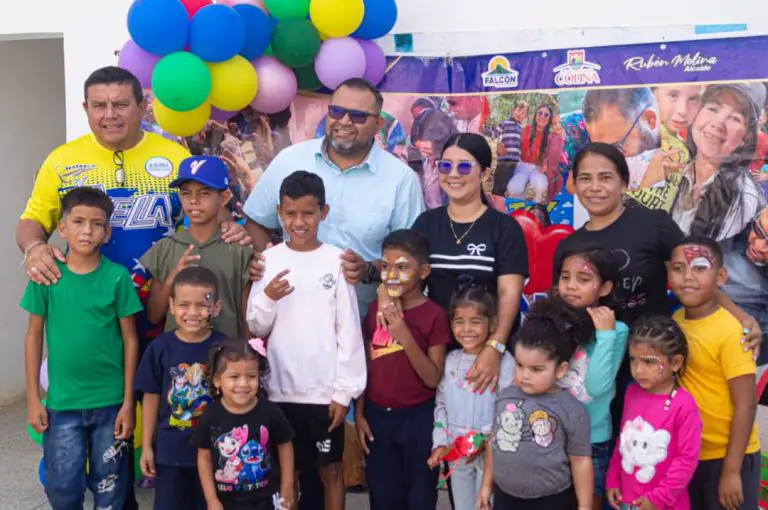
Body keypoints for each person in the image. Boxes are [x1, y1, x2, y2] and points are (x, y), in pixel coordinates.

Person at [243, 77, 425, 317]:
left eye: (358, 116)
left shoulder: (401, 179)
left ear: (378, 123)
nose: (344, 121)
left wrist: (369, 270)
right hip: (290, 316)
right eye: (336, 111)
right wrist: (268, 259)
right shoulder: (290, 160)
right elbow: (257, 220)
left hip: (364, 323)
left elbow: (410, 254)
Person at [246, 171, 367, 510]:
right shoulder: (269, 260)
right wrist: (268, 296)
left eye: (308, 213)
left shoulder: (337, 260)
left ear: (323, 213)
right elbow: (255, 326)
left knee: (330, 471)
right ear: (279, 213)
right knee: (289, 473)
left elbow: (349, 332)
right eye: (291, 214)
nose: (299, 222)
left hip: (324, 393)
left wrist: (344, 392)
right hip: (279, 390)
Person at [23, 187, 143, 509]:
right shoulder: (46, 278)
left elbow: (131, 339)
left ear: (107, 232)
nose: (87, 230)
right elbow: (33, 336)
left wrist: (128, 402)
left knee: (111, 491)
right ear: (62, 229)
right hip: (62, 405)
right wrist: (34, 398)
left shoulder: (118, 278)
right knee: (62, 488)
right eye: (78, 221)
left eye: (96, 224)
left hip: (111, 404)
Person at [404, 133, 528, 394]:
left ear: (483, 173)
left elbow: (509, 294)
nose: (453, 175)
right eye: (446, 166)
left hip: (489, 352)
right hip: (437, 353)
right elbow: (405, 279)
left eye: (464, 166)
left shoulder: (504, 228)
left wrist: (495, 347)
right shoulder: (426, 224)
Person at [354, 229, 450, 510]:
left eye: (402, 267)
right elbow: (365, 366)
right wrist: (359, 413)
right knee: (384, 498)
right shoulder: (374, 310)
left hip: (419, 419)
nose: (392, 274)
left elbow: (433, 378)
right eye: (386, 267)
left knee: (420, 497)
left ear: (423, 271)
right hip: (377, 419)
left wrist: (402, 333)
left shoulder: (434, 315)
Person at [667, 237, 761, 510]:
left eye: (699, 268)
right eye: (678, 268)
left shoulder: (733, 332)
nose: (687, 277)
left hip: (730, 456)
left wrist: (732, 471)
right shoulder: (676, 322)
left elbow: (746, 405)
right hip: (691, 454)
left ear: (721, 276)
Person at [477, 297, 594, 510]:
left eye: (536, 369)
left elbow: (580, 461)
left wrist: (585, 506)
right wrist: (486, 485)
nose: (525, 375)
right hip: (505, 497)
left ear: (560, 369)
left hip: (552, 500)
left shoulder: (571, 409)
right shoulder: (506, 397)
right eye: (519, 365)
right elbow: (494, 442)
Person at [135, 267, 227, 510]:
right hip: (171, 452)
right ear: (172, 306)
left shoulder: (224, 349)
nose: (193, 313)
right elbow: (151, 397)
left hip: (216, 454)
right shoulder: (160, 348)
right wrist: (146, 446)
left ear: (215, 307)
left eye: (202, 305)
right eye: (184, 305)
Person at [141, 155, 253, 341]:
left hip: (226, 361)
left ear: (224, 197)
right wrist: (172, 278)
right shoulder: (165, 248)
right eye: (186, 193)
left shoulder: (239, 250)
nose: (194, 200)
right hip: (178, 363)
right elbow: (153, 316)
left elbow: (246, 319)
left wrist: (248, 356)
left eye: (204, 193)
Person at [554, 244, 629, 509]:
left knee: (589, 503)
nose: (571, 285)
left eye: (583, 279)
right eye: (565, 277)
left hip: (592, 439)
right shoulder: (551, 323)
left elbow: (597, 386)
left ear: (605, 288)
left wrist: (605, 335)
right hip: (552, 433)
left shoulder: (616, 331)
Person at [427, 285, 515, 510]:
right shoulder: (450, 362)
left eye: (475, 322)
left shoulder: (504, 363)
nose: (467, 329)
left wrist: (484, 439)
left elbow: (510, 410)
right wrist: (440, 443)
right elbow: (441, 406)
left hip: (493, 454)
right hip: (457, 454)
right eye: (459, 321)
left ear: (492, 324)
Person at [605, 316, 702, 510]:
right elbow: (623, 442)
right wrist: (612, 480)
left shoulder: (683, 405)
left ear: (675, 363)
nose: (638, 370)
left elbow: (686, 460)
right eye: (633, 360)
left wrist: (658, 498)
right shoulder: (631, 393)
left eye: (649, 362)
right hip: (627, 501)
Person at [191, 338, 296, 510]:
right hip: (226, 503)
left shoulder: (271, 412)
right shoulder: (210, 415)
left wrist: (287, 486)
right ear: (217, 380)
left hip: (267, 500)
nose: (243, 384)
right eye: (234, 377)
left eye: (251, 376)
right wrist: (211, 500)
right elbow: (204, 458)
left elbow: (285, 446)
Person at [671, 83, 766, 242]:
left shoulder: (742, 196)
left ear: (745, 137)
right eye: (713, 109)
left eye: (734, 118)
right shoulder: (675, 165)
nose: (718, 123)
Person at [492, 101, 528, 211]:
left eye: (523, 112)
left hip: (515, 163)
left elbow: (522, 147)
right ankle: (495, 208)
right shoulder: (505, 123)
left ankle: (502, 207)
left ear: (525, 116)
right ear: (513, 111)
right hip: (504, 161)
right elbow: (494, 133)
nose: (519, 114)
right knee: (498, 187)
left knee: (508, 187)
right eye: (518, 110)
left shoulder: (522, 129)